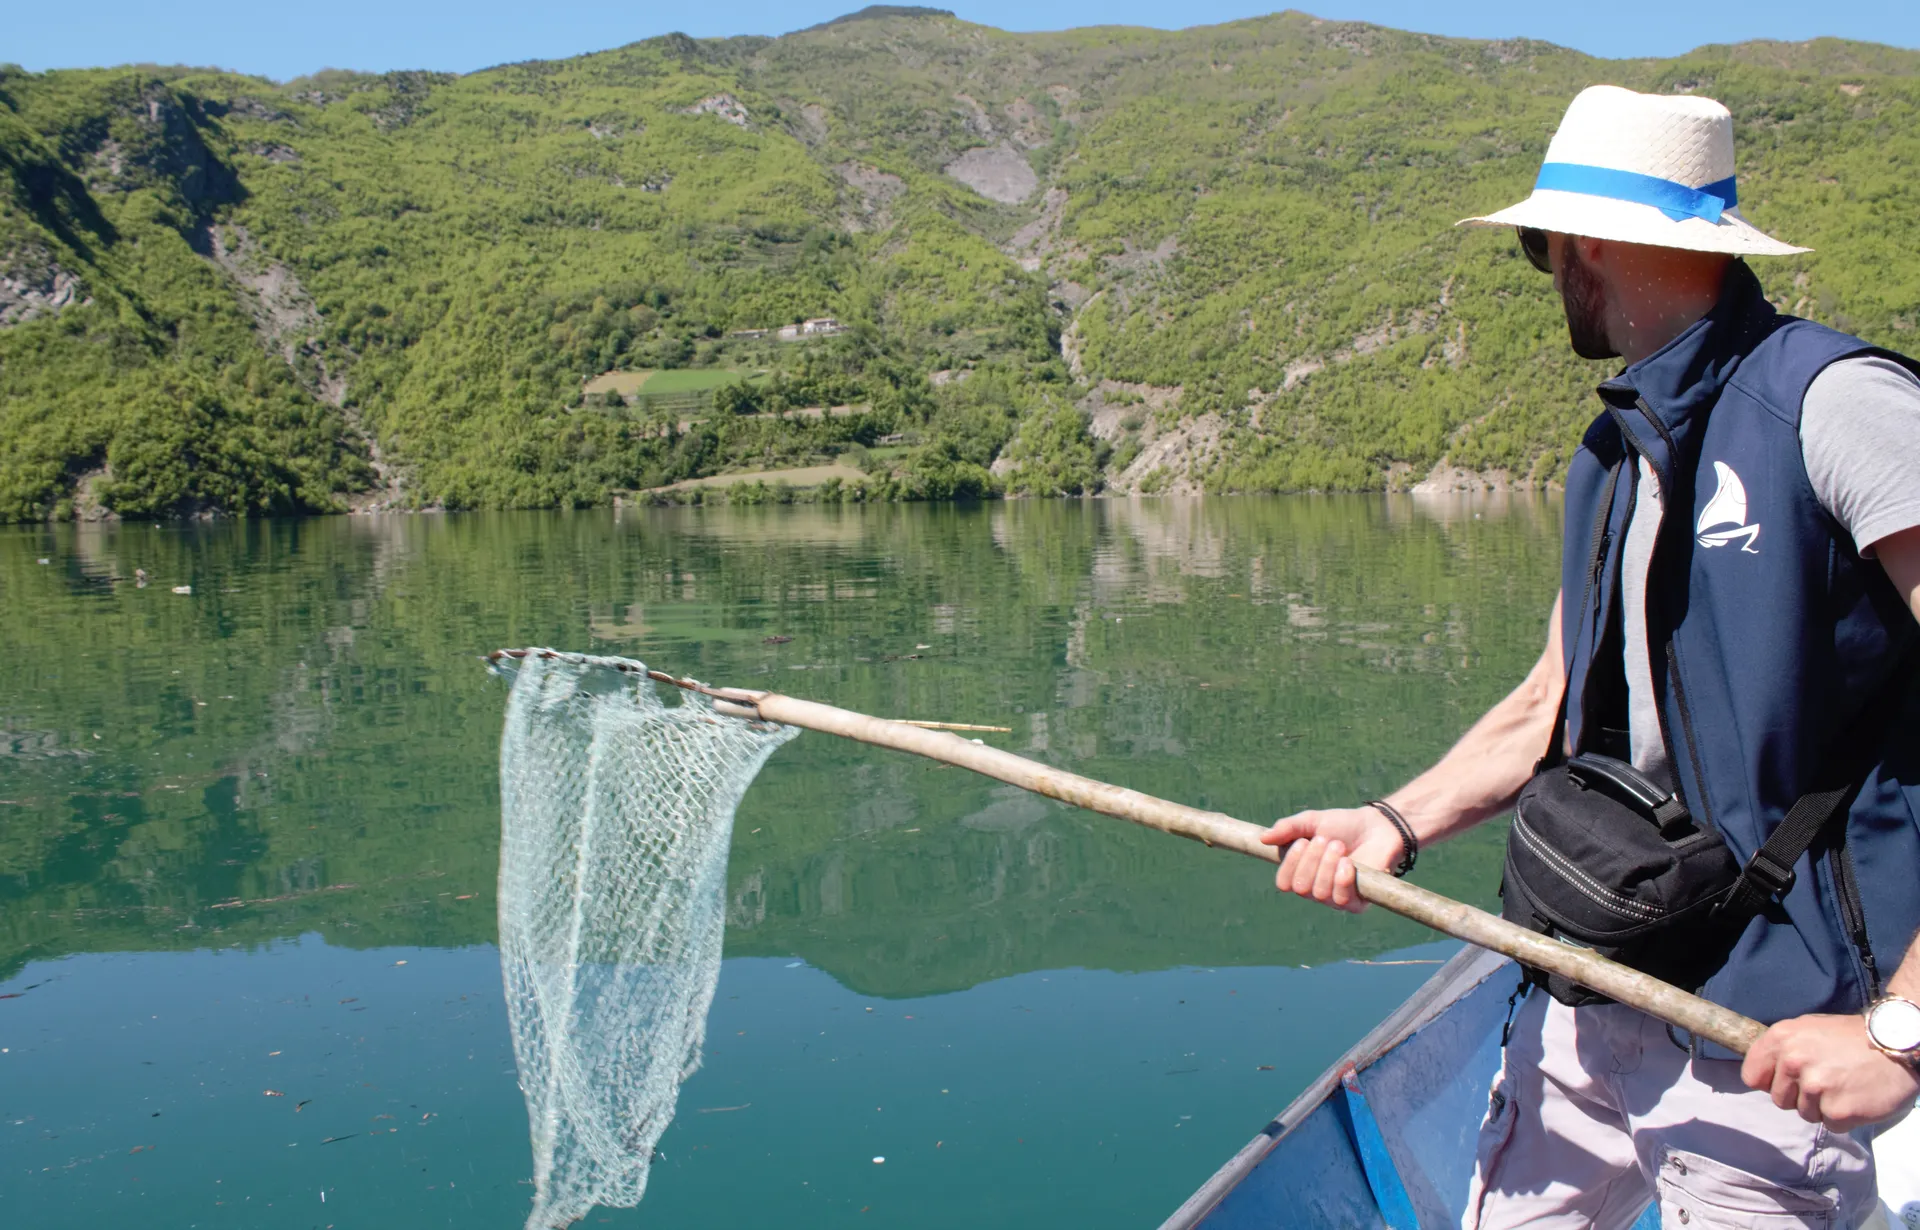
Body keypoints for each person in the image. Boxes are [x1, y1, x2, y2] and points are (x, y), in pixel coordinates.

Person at [1263, 84, 1920, 1228]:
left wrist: (1902, 1033)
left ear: (1596, 242)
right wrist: (1393, 823)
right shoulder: (1616, 444)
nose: (1543, 270)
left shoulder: (1838, 408)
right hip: (1590, 993)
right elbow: (1547, 704)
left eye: (1541, 243)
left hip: (1770, 1045)